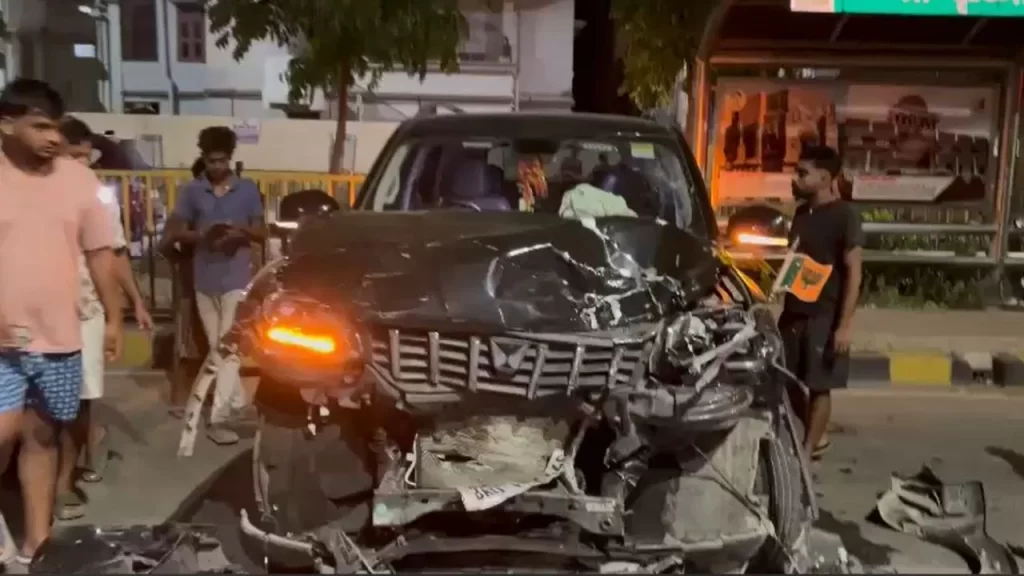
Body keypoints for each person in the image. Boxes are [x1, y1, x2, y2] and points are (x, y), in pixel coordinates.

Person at [0, 78, 122, 563]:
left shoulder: (80, 181)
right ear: (6, 124)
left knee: (42, 437)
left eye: (56, 127)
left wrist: (114, 317)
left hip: (59, 338)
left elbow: (100, 253)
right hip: (2, 344)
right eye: (40, 127)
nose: (53, 138)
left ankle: (37, 544)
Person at [53, 115, 154, 520]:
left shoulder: (98, 195)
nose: (80, 164)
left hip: (87, 309)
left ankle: (63, 482)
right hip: (34, 312)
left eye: (85, 157)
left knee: (81, 401)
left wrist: (132, 304)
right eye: (73, 155)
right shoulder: (19, 187)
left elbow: (113, 254)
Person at [165, 127, 266, 445]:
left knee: (228, 349)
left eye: (222, 161)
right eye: (211, 161)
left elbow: (261, 232)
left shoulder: (247, 189)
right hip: (205, 279)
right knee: (217, 347)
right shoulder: (192, 191)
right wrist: (202, 235)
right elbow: (176, 231)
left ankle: (218, 418)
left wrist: (240, 231)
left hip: (237, 278)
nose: (217, 167)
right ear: (204, 159)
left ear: (230, 159)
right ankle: (237, 402)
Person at [778, 145, 863, 461]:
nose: (795, 178)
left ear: (825, 178)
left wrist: (844, 326)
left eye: (803, 173)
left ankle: (807, 450)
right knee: (782, 379)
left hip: (824, 316)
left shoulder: (845, 215)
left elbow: (854, 271)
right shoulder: (802, 214)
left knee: (819, 386)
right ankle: (817, 435)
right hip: (793, 312)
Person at [159, 157, 209, 418]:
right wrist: (181, 263)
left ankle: (209, 398)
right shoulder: (187, 207)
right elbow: (165, 243)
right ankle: (179, 400)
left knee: (214, 343)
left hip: (222, 283)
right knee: (187, 344)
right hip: (192, 282)